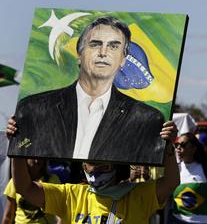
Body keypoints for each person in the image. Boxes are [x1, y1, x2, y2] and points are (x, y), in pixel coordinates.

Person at [8, 16, 165, 164]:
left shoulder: (146, 119)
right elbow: (24, 164)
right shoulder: (34, 109)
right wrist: (16, 139)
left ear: (123, 60)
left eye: (113, 46)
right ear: (79, 54)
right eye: (95, 44)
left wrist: (168, 149)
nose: (103, 53)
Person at [6, 116, 179, 223]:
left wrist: (169, 147)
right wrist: (17, 148)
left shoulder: (137, 196)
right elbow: (24, 188)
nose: (95, 170)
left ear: (117, 167)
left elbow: (171, 182)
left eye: (103, 165)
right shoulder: (71, 195)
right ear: (82, 165)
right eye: (90, 163)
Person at [170, 133, 207, 224]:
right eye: (176, 145)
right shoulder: (175, 169)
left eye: (183, 145)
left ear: (193, 148)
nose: (178, 148)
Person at [2, 159, 61, 224]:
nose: (37, 161)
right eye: (33, 157)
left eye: (40, 157)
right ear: (24, 159)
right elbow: (9, 215)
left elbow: (60, 211)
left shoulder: (53, 180)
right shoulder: (15, 182)